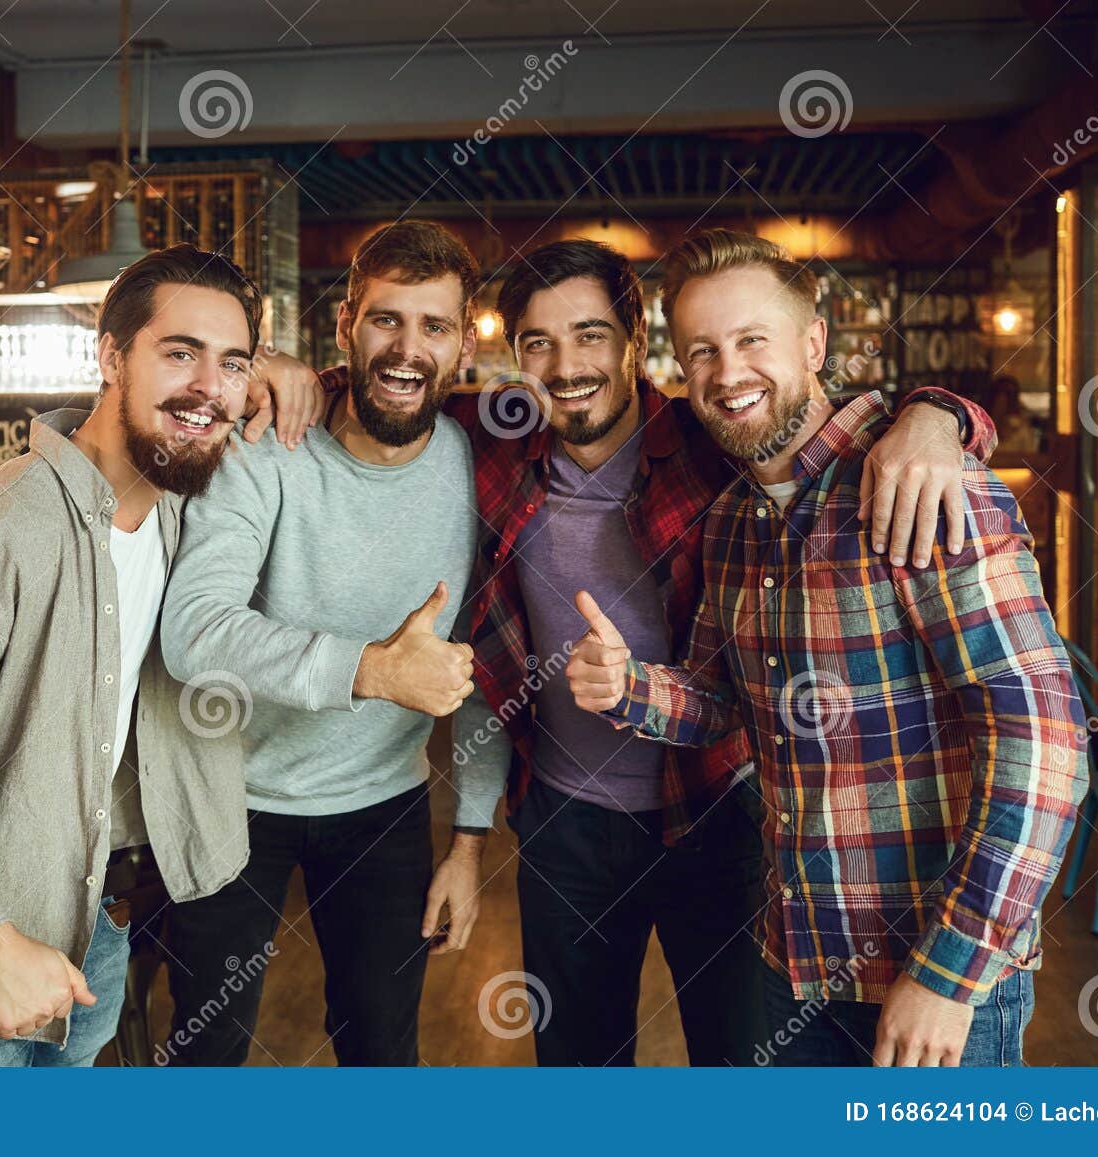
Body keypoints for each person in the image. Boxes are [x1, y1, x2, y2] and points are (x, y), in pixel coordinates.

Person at [253, 236, 994, 1067]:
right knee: (578, 1068)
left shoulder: (717, 440)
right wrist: (283, 374)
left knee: (738, 1069)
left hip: (719, 814)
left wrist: (941, 415)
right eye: (538, 342)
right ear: (509, 354)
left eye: (590, 335)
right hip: (563, 825)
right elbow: (391, 389)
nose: (566, 364)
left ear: (636, 338)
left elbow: (820, 417)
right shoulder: (496, 443)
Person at [571, 228, 1087, 1066]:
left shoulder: (926, 486)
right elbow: (724, 701)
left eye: (751, 340)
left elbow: (1047, 741)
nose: (727, 372)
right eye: (701, 350)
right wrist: (630, 687)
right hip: (794, 959)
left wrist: (951, 971)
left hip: (928, 976)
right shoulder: (736, 519)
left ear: (814, 343)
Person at [0, 244, 269, 1066]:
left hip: (97, 918)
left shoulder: (184, 518)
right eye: (179, 353)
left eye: (233, 364)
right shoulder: (7, 525)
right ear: (109, 356)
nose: (209, 387)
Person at [159, 220, 510, 1066]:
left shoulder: (479, 466)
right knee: (204, 1055)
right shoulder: (265, 446)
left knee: (382, 1051)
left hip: (381, 806)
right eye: (387, 319)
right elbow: (193, 628)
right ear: (347, 320)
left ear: (464, 345)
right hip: (228, 796)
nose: (407, 347)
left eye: (433, 326)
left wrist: (469, 841)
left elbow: (483, 668)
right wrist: (370, 669)